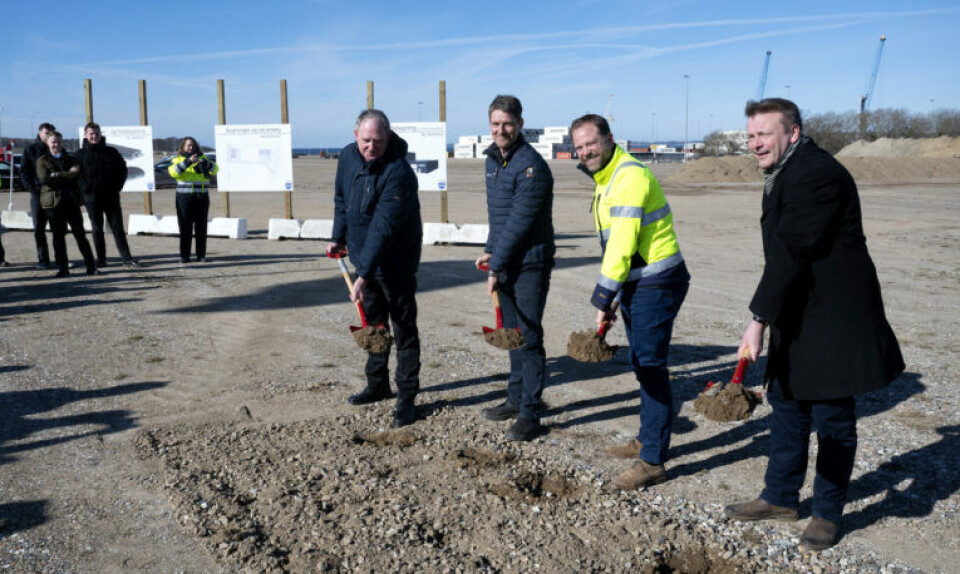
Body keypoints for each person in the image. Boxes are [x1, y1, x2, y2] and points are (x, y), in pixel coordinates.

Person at [723, 98, 904, 551]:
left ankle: (827, 512)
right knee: (787, 404)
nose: (755, 143)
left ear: (794, 132)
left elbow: (792, 249)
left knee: (832, 418)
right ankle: (781, 497)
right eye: (750, 135)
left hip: (832, 315)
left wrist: (758, 319)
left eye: (764, 133)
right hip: (799, 307)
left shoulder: (815, 173)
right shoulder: (789, 169)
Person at [570, 114, 690, 489]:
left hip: (658, 279)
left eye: (591, 142)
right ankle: (647, 437)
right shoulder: (607, 177)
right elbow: (617, 247)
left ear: (609, 138)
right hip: (640, 279)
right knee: (642, 362)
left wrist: (604, 296)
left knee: (651, 365)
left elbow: (621, 242)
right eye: (579, 146)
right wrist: (617, 290)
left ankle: (652, 461)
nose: (586, 151)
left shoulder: (629, 176)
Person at [327, 109, 422, 428]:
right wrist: (337, 237)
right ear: (356, 136)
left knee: (404, 328)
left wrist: (363, 275)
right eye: (366, 140)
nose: (371, 147)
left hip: (396, 263)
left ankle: (407, 397)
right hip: (362, 257)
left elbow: (384, 226)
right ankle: (377, 384)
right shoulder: (347, 157)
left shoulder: (400, 173)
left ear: (389, 137)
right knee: (374, 326)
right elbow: (342, 200)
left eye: (378, 141)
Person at [475, 95, 555, 442]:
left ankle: (530, 413)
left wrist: (497, 265)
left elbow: (521, 222)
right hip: (506, 259)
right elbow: (499, 219)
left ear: (520, 124)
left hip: (530, 264)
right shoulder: (493, 161)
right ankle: (514, 399)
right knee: (511, 333)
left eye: (507, 124)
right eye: (495, 124)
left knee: (529, 336)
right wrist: (491, 252)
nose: (501, 130)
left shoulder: (531, 166)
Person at [76, 122, 142, 268]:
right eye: (91, 134)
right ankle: (101, 259)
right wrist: (85, 187)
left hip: (111, 196)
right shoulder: (80, 154)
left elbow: (122, 170)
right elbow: (77, 175)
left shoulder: (111, 152)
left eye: (96, 133)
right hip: (92, 198)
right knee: (97, 229)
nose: (94, 136)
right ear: (86, 135)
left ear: (100, 134)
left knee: (118, 228)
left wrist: (117, 187)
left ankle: (126, 258)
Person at [35, 131, 97, 278]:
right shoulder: (42, 160)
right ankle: (63, 268)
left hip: (72, 202)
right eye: (53, 142)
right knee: (58, 238)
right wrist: (66, 174)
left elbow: (77, 175)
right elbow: (44, 179)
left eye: (58, 142)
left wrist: (56, 175)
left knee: (80, 236)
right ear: (48, 143)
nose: (56, 145)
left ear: (61, 143)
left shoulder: (70, 159)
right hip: (53, 204)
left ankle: (91, 266)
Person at [168, 137, 218, 263]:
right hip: (185, 198)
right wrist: (188, 162)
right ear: (183, 147)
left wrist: (207, 164)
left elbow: (215, 169)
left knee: (201, 227)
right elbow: (174, 172)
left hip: (202, 197)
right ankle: (184, 256)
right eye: (188, 145)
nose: (191, 148)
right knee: (185, 228)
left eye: (193, 145)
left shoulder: (203, 157)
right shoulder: (177, 158)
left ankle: (201, 255)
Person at [19, 122, 55, 268]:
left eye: (51, 133)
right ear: (40, 133)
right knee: (39, 229)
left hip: (54, 195)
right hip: (38, 195)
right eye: (46, 133)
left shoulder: (55, 148)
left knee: (57, 229)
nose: (49, 135)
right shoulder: (31, 149)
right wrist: (32, 189)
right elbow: (24, 172)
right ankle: (43, 260)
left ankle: (61, 259)